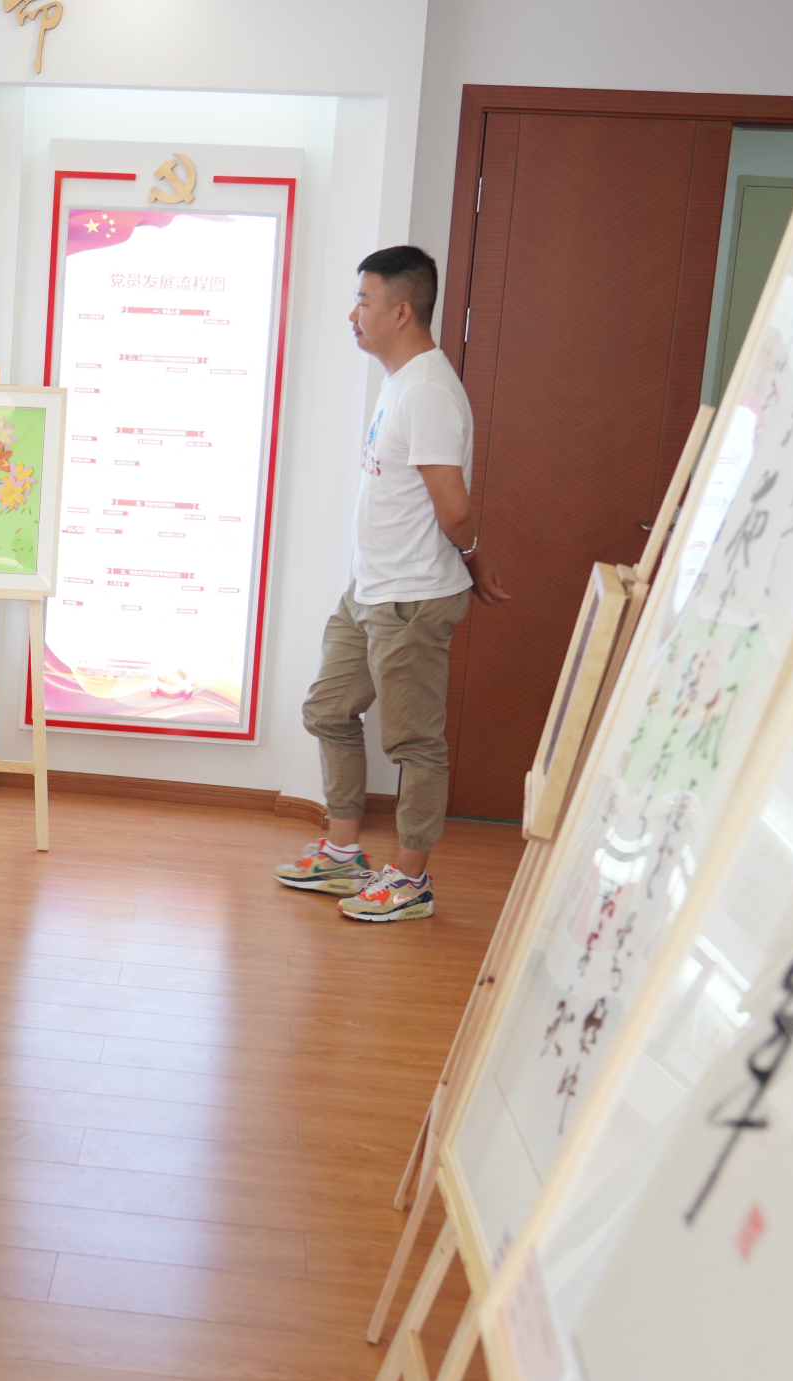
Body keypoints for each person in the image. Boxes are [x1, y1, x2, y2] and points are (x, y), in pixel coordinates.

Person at [276, 245, 510, 922]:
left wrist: (473, 556)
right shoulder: (401, 380)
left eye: (364, 301)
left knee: (414, 745)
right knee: (327, 709)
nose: (353, 315)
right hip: (370, 589)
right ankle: (343, 853)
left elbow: (454, 508)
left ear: (401, 311)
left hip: (411, 595)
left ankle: (410, 881)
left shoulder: (429, 391)